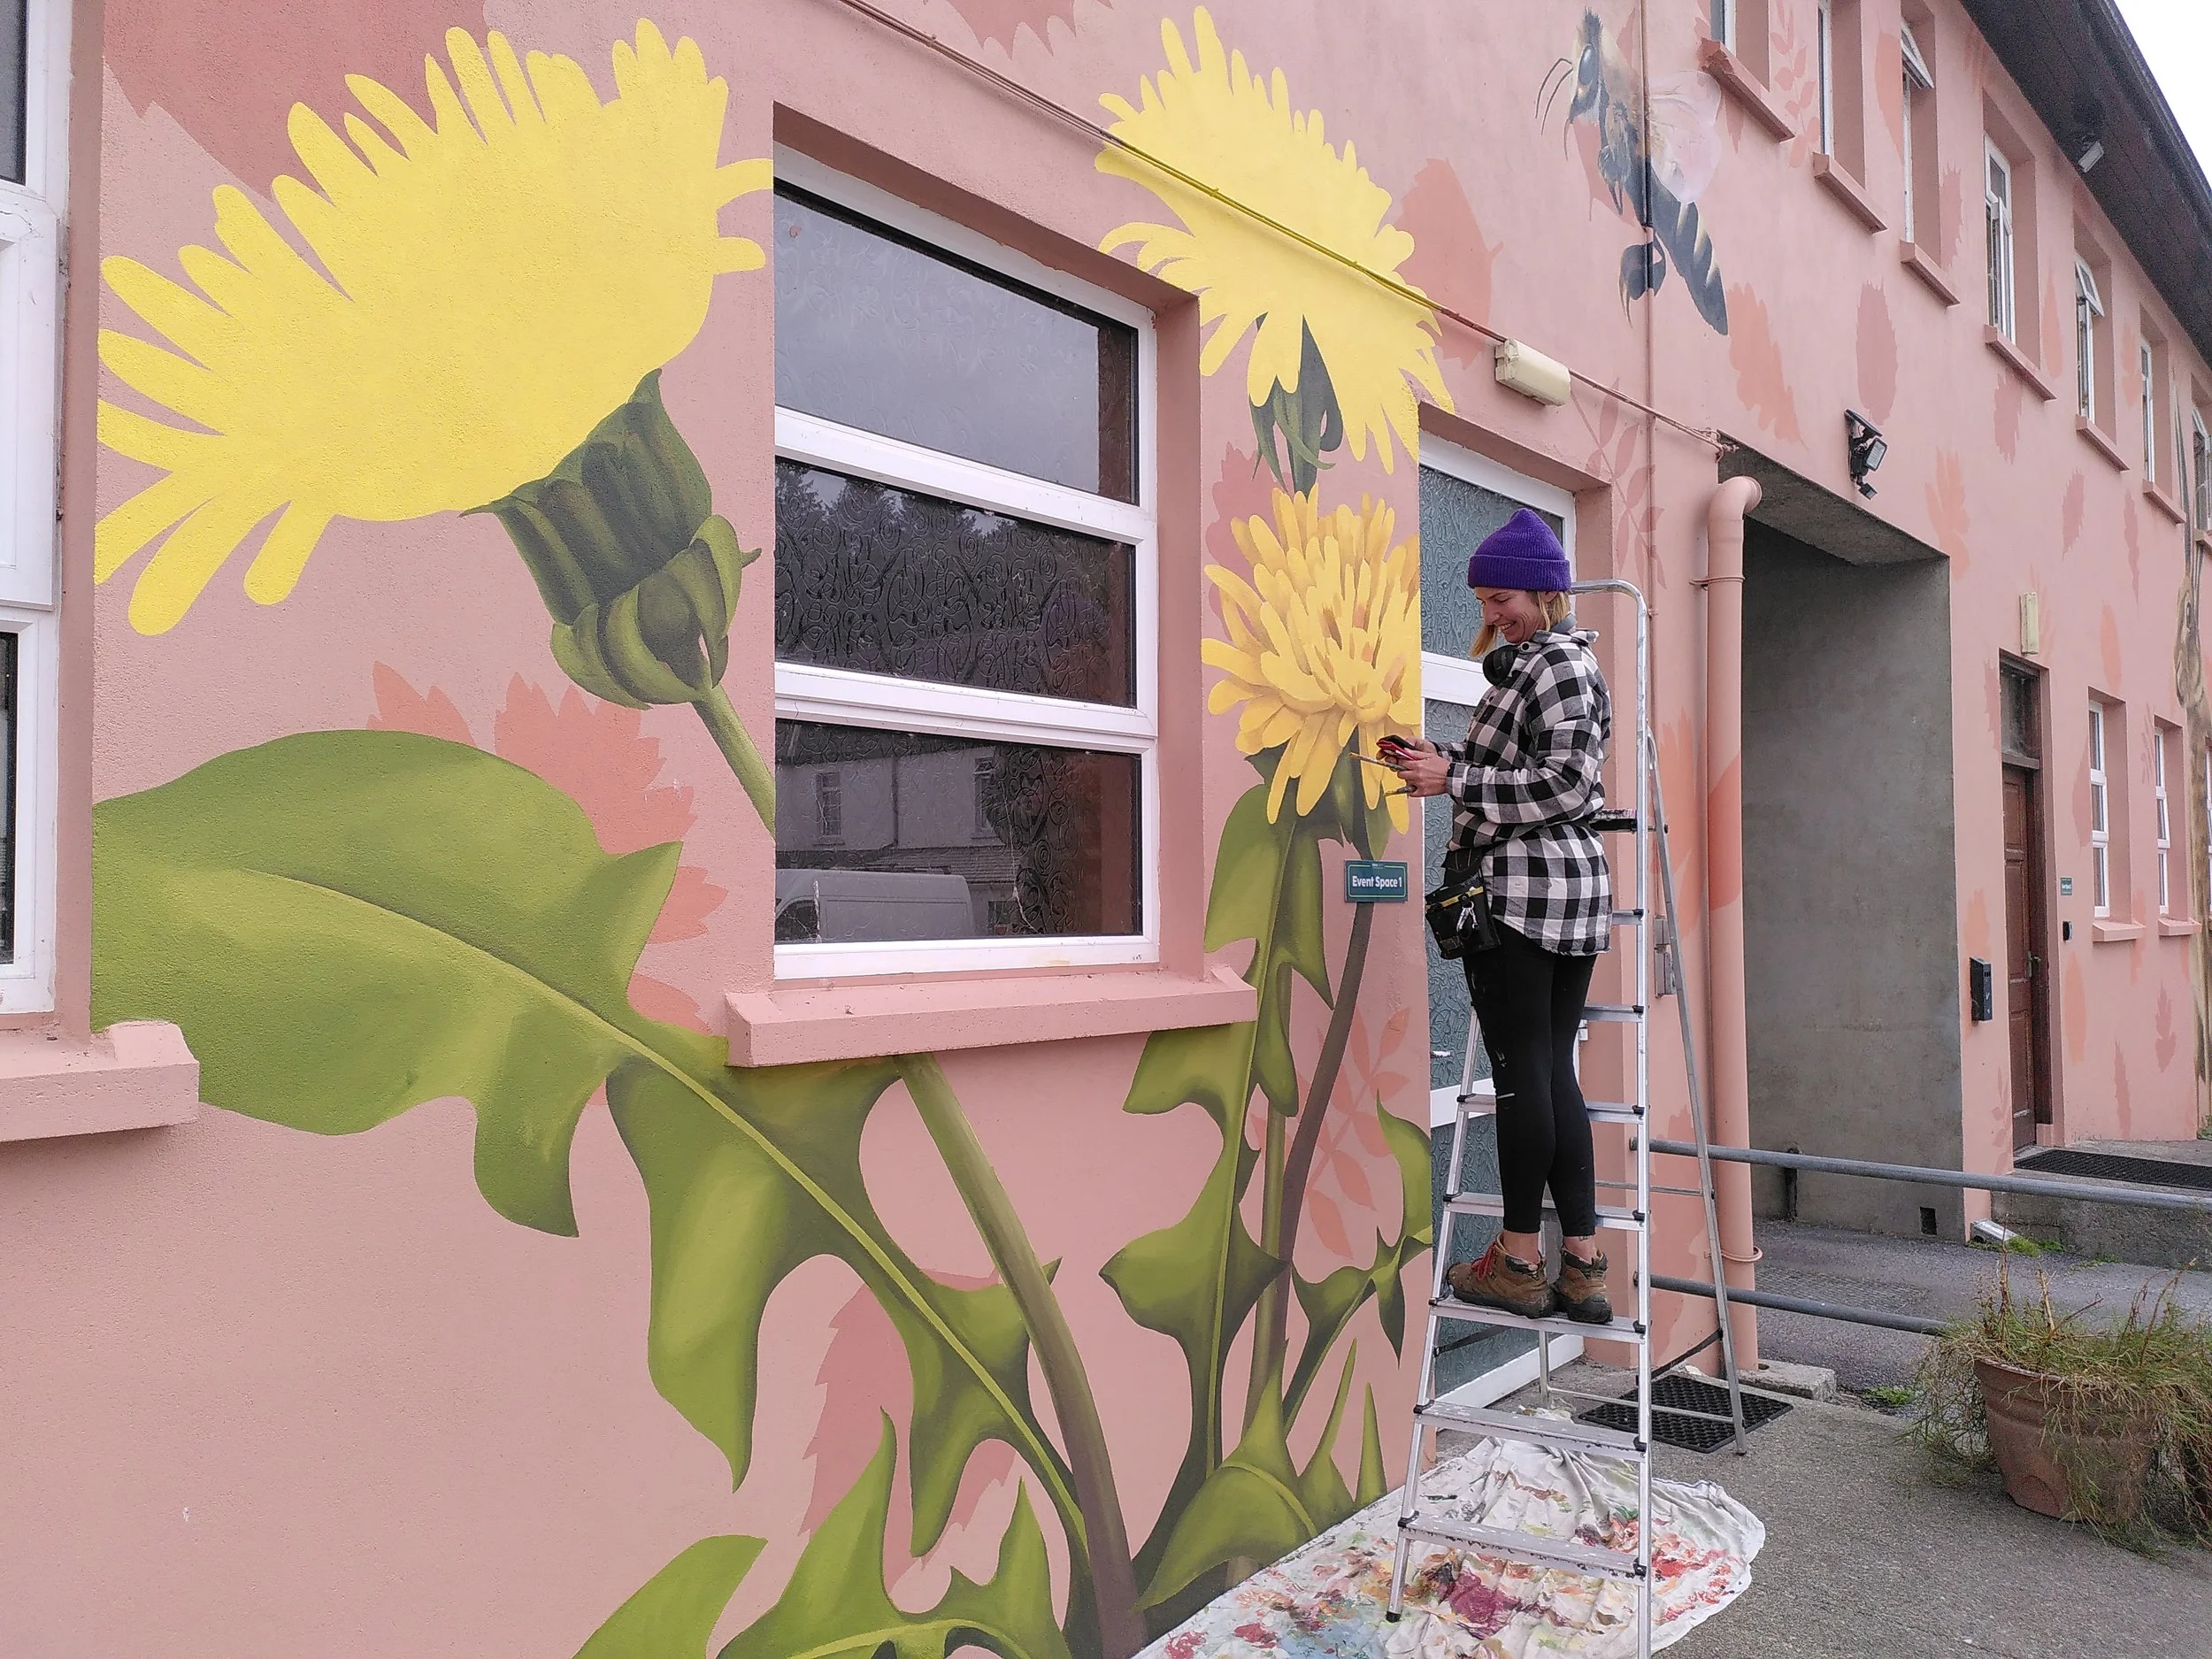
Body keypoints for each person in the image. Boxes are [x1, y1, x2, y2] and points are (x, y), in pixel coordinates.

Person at [1388, 508, 1615, 1324]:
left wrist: (1453, 781)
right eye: (1484, 601)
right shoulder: (1548, 665)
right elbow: (1529, 769)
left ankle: (1520, 1260)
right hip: (1561, 894)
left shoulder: (1557, 664)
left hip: (1526, 894)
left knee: (1524, 1078)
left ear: (1547, 592)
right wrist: (1442, 760)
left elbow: (1568, 787)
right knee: (1550, 1073)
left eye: (1503, 598)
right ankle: (1582, 1263)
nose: (1492, 615)